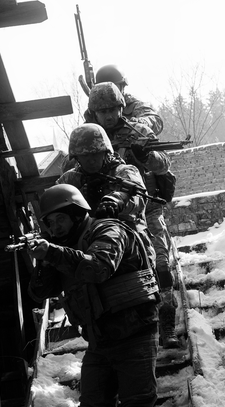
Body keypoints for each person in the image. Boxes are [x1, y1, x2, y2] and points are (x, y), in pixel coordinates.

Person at [27, 184, 177, 407]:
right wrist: (45, 257)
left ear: (77, 212)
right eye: (49, 224)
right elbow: (39, 292)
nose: (55, 229)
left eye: (60, 220)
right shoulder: (63, 248)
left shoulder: (109, 230)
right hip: (101, 342)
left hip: (136, 335)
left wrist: (52, 251)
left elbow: (99, 267)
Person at [86, 82, 181, 348]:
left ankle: (168, 325)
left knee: (160, 263)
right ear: (94, 113)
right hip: (112, 212)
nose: (108, 115)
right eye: (102, 111)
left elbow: (165, 165)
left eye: (112, 109)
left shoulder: (138, 130)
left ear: (121, 107)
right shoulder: (91, 135)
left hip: (147, 206)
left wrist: (146, 156)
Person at [57, 123, 155, 267]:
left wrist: (116, 201)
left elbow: (139, 197)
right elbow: (55, 210)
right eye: (85, 155)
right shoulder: (69, 180)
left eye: (95, 153)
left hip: (131, 249)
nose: (91, 159)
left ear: (106, 151)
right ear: (76, 157)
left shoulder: (124, 171)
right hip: (88, 250)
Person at [85, 64, 163, 136]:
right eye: (103, 112)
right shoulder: (93, 113)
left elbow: (155, 120)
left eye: (114, 87)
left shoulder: (132, 104)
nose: (110, 91)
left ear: (122, 87)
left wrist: (141, 123)